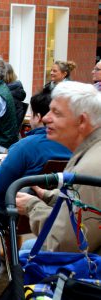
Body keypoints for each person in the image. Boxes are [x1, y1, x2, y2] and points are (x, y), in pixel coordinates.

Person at [15, 81, 101, 254]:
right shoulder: (90, 152)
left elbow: (66, 245)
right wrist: (49, 196)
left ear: (81, 121)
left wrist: (33, 207)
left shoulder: (89, 167)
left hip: (87, 273)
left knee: (26, 252)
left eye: (56, 112)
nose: (45, 118)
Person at [0, 90, 71, 209]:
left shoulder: (25, 146)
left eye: (31, 113)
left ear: (38, 117)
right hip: (63, 210)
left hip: (23, 213)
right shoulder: (74, 144)